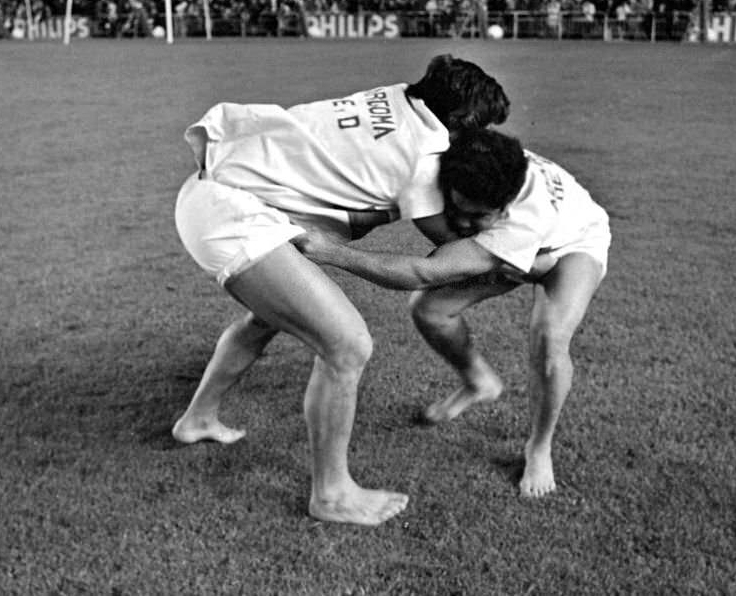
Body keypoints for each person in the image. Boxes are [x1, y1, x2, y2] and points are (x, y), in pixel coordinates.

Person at [171, 55, 510, 526]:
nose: (480, 143)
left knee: (265, 319)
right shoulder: (426, 151)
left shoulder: (396, 96)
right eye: (479, 130)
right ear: (458, 122)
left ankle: (198, 420)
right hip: (232, 217)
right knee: (347, 346)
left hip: (210, 195)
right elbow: (448, 243)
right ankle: (331, 495)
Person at [293, 128, 610, 498]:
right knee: (430, 310)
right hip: (518, 250)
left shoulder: (523, 220)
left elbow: (421, 272)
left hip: (571, 244)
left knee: (550, 339)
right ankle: (480, 382)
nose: (462, 223)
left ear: (504, 208)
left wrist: (330, 251)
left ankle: (539, 448)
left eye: (477, 217)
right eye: (458, 208)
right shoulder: (463, 162)